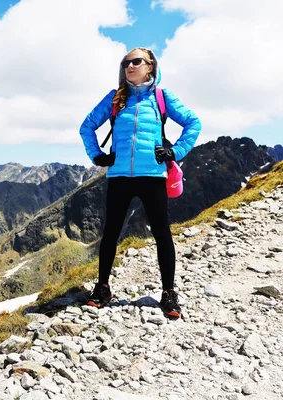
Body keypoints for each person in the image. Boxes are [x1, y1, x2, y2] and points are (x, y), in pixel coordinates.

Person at [79, 47, 201, 319]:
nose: (129, 66)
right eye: (125, 63)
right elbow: (86, 127)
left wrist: (175, 152)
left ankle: (168, 293)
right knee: (110, 233)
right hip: (119, 175)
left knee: (161, 233)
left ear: (151, 67)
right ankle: (102, 288)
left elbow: (193, 122)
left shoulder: (161, 97)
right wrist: (97, 155)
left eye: (136, 61)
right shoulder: (115, 99)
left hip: (152, 176)